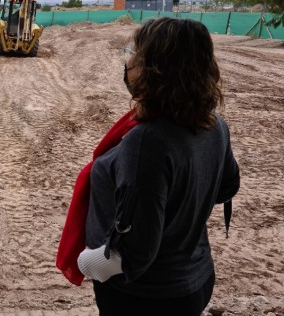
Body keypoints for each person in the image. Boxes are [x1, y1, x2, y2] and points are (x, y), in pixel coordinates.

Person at [58, 17, 241, 316]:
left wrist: (87, 262)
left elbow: (135, 253)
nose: (128, 61)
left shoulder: (147, 143)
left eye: (134, 53)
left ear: (156, 69)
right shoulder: (212, 124)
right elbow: (227, 186)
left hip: (146, 298)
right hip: (194, 278)